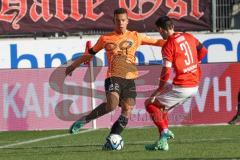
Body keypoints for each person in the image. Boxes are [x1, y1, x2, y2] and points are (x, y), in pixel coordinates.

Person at [65, 8, 165, 149]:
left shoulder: (136, 36)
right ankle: (84, 120)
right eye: (118, 20)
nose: (121, 23)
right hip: (114, 77)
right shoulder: (105, 39)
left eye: (123, 20)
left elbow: (158, 42)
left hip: (130, 79)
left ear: (127, 21)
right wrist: (73, 66)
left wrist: (176, 39)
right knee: (112, 105)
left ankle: (112, 137)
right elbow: (89, 54)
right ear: (114, 21)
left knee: (127, 110)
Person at [144, 16, 208, 151]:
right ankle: (162, 142)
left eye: (159, 31)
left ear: (161, 29)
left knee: (149, 103)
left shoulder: (168, 45)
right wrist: (196, 62)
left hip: (182, 86)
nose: (159, 34)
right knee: (163, 109)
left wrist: (158, 91)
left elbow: (166, 72)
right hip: (194, 85)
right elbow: (203, 51)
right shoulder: (189, 36)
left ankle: (165, 132)